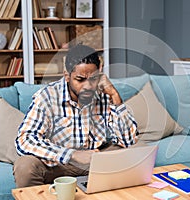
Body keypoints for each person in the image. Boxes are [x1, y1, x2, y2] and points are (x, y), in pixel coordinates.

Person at [13, 44, 138, 188]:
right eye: (80, 79)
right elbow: (25, 140)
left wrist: (115, 96)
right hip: (59, 164)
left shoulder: (104, 93)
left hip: (95, 161)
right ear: (67, 76)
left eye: (93, 79)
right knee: (25, 166)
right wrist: (72, 154)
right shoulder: (47, 97)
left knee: (128, 154)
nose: (88, 86)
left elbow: (129, 141)